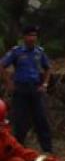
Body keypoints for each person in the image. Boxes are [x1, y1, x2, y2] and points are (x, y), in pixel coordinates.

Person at [1, 25, 54, 153]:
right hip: (20, 89)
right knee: (20, 121)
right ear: (24, 37)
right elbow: (2, 65)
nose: (32, 38)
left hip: (35, 89)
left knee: (41, 119)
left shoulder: (39, 52)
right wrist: (9, 82)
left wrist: (45, 84)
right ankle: (19, 149)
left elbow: (48, 68)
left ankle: (47, 150)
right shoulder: (17, 51)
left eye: (34, 35)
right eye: (29, 35)